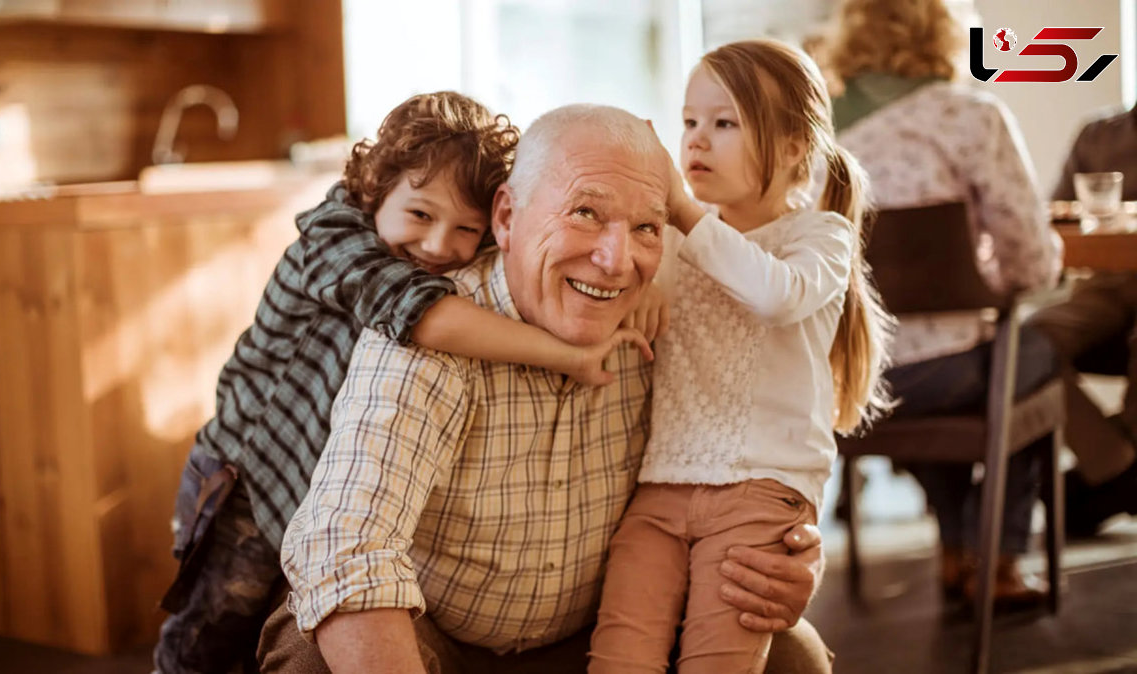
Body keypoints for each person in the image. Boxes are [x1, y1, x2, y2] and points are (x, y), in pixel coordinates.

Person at [257, 104, 832, 674]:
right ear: (505, 219)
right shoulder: (428, 328)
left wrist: (790, 548)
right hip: (437, 637)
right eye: (585, 213)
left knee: (791, 655)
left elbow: (756, 447)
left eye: (646, 228)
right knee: (315, 656)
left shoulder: (665, 321)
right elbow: (347, 548)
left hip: (599, 634)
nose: (615, 260)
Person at [154, 91, 652, 674]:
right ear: (374, 189)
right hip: (250, 472)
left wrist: (655, 275)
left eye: (466, 227)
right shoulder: (336, 238)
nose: (440, 245)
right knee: (212, 632)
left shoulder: (458, 255)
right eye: (420, 214)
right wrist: (567, 353)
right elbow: (420, 314)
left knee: (267, 621)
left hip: (314, 481)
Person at [586, 40, 891, 674]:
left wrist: (686, 219)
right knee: (618, 657)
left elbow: (774, 296)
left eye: (724, 123)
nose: (696, 141)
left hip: (760, 492)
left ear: (791, 148)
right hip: (661, 488)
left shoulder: (818, 236)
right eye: (690, 121)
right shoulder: (678, 238)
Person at [823, 0, 1063, 606]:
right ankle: (1000, 556)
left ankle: (958, 547)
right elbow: (1031, 265)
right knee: (1036, 353)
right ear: (944, 32)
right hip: (949, 372)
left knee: (942, 376)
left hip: (852, 378)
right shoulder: (970, 117)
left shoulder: (822, 132)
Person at [1033, 103, 1137, 536]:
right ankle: (1116, 467)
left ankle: (1111, 482)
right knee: (1024, 345)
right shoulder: (1097, 135)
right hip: (1104, 286)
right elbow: (1056, 217)